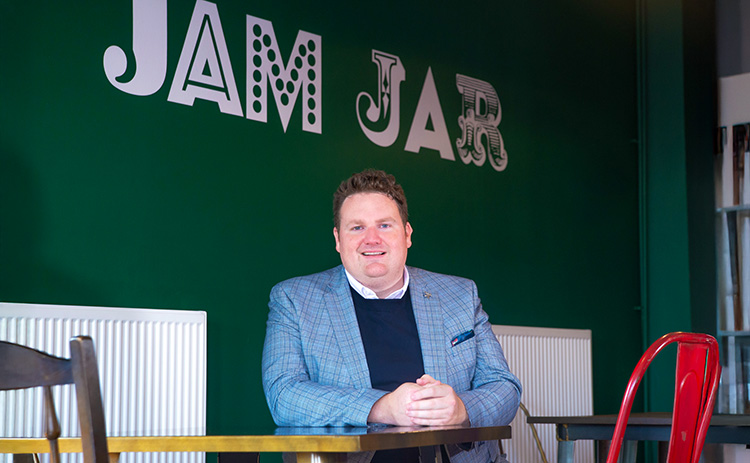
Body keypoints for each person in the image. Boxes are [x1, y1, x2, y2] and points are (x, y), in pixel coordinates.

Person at [262, 169, 521, 463]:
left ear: (407, 234)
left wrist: (462, 408)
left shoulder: (460, 294)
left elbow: (504, 386)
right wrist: (382, 407)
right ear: (337, 239)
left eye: (384, 225)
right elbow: (283, 394)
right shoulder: (293, 299)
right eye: (356, 227)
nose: (371, 239)